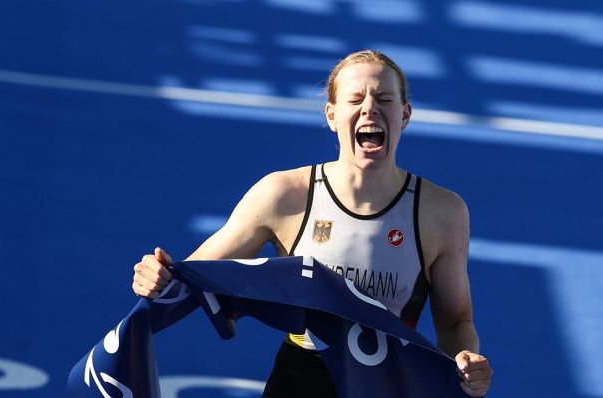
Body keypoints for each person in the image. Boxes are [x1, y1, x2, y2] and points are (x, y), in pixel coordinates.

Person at [132, 50, 493, 397]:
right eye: (356, 99)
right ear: (332, 115)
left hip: (389, 383)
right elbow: (192, 275)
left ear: (405, 115)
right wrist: (156, 275)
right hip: (301, 382)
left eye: (384, 99)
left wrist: (466, 358)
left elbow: (455, 321)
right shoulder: (283, 195)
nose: (369, 107)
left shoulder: (442, 212)